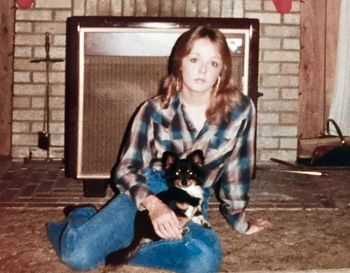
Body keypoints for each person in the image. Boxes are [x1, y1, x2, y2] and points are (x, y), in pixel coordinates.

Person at [47, 26, 271, 273]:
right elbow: (126, 170)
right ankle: (81, 217)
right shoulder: (154, 109)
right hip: (146, 191)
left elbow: (236, 172)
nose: (203, 70)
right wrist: (154, 206)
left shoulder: (240, 110)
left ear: (222, 70)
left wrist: (240, 221)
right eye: (195, 59)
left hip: (192, 198)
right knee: (78, 256)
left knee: (203, 260)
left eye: (213, 63)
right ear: (180, 63)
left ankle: (113, 244)